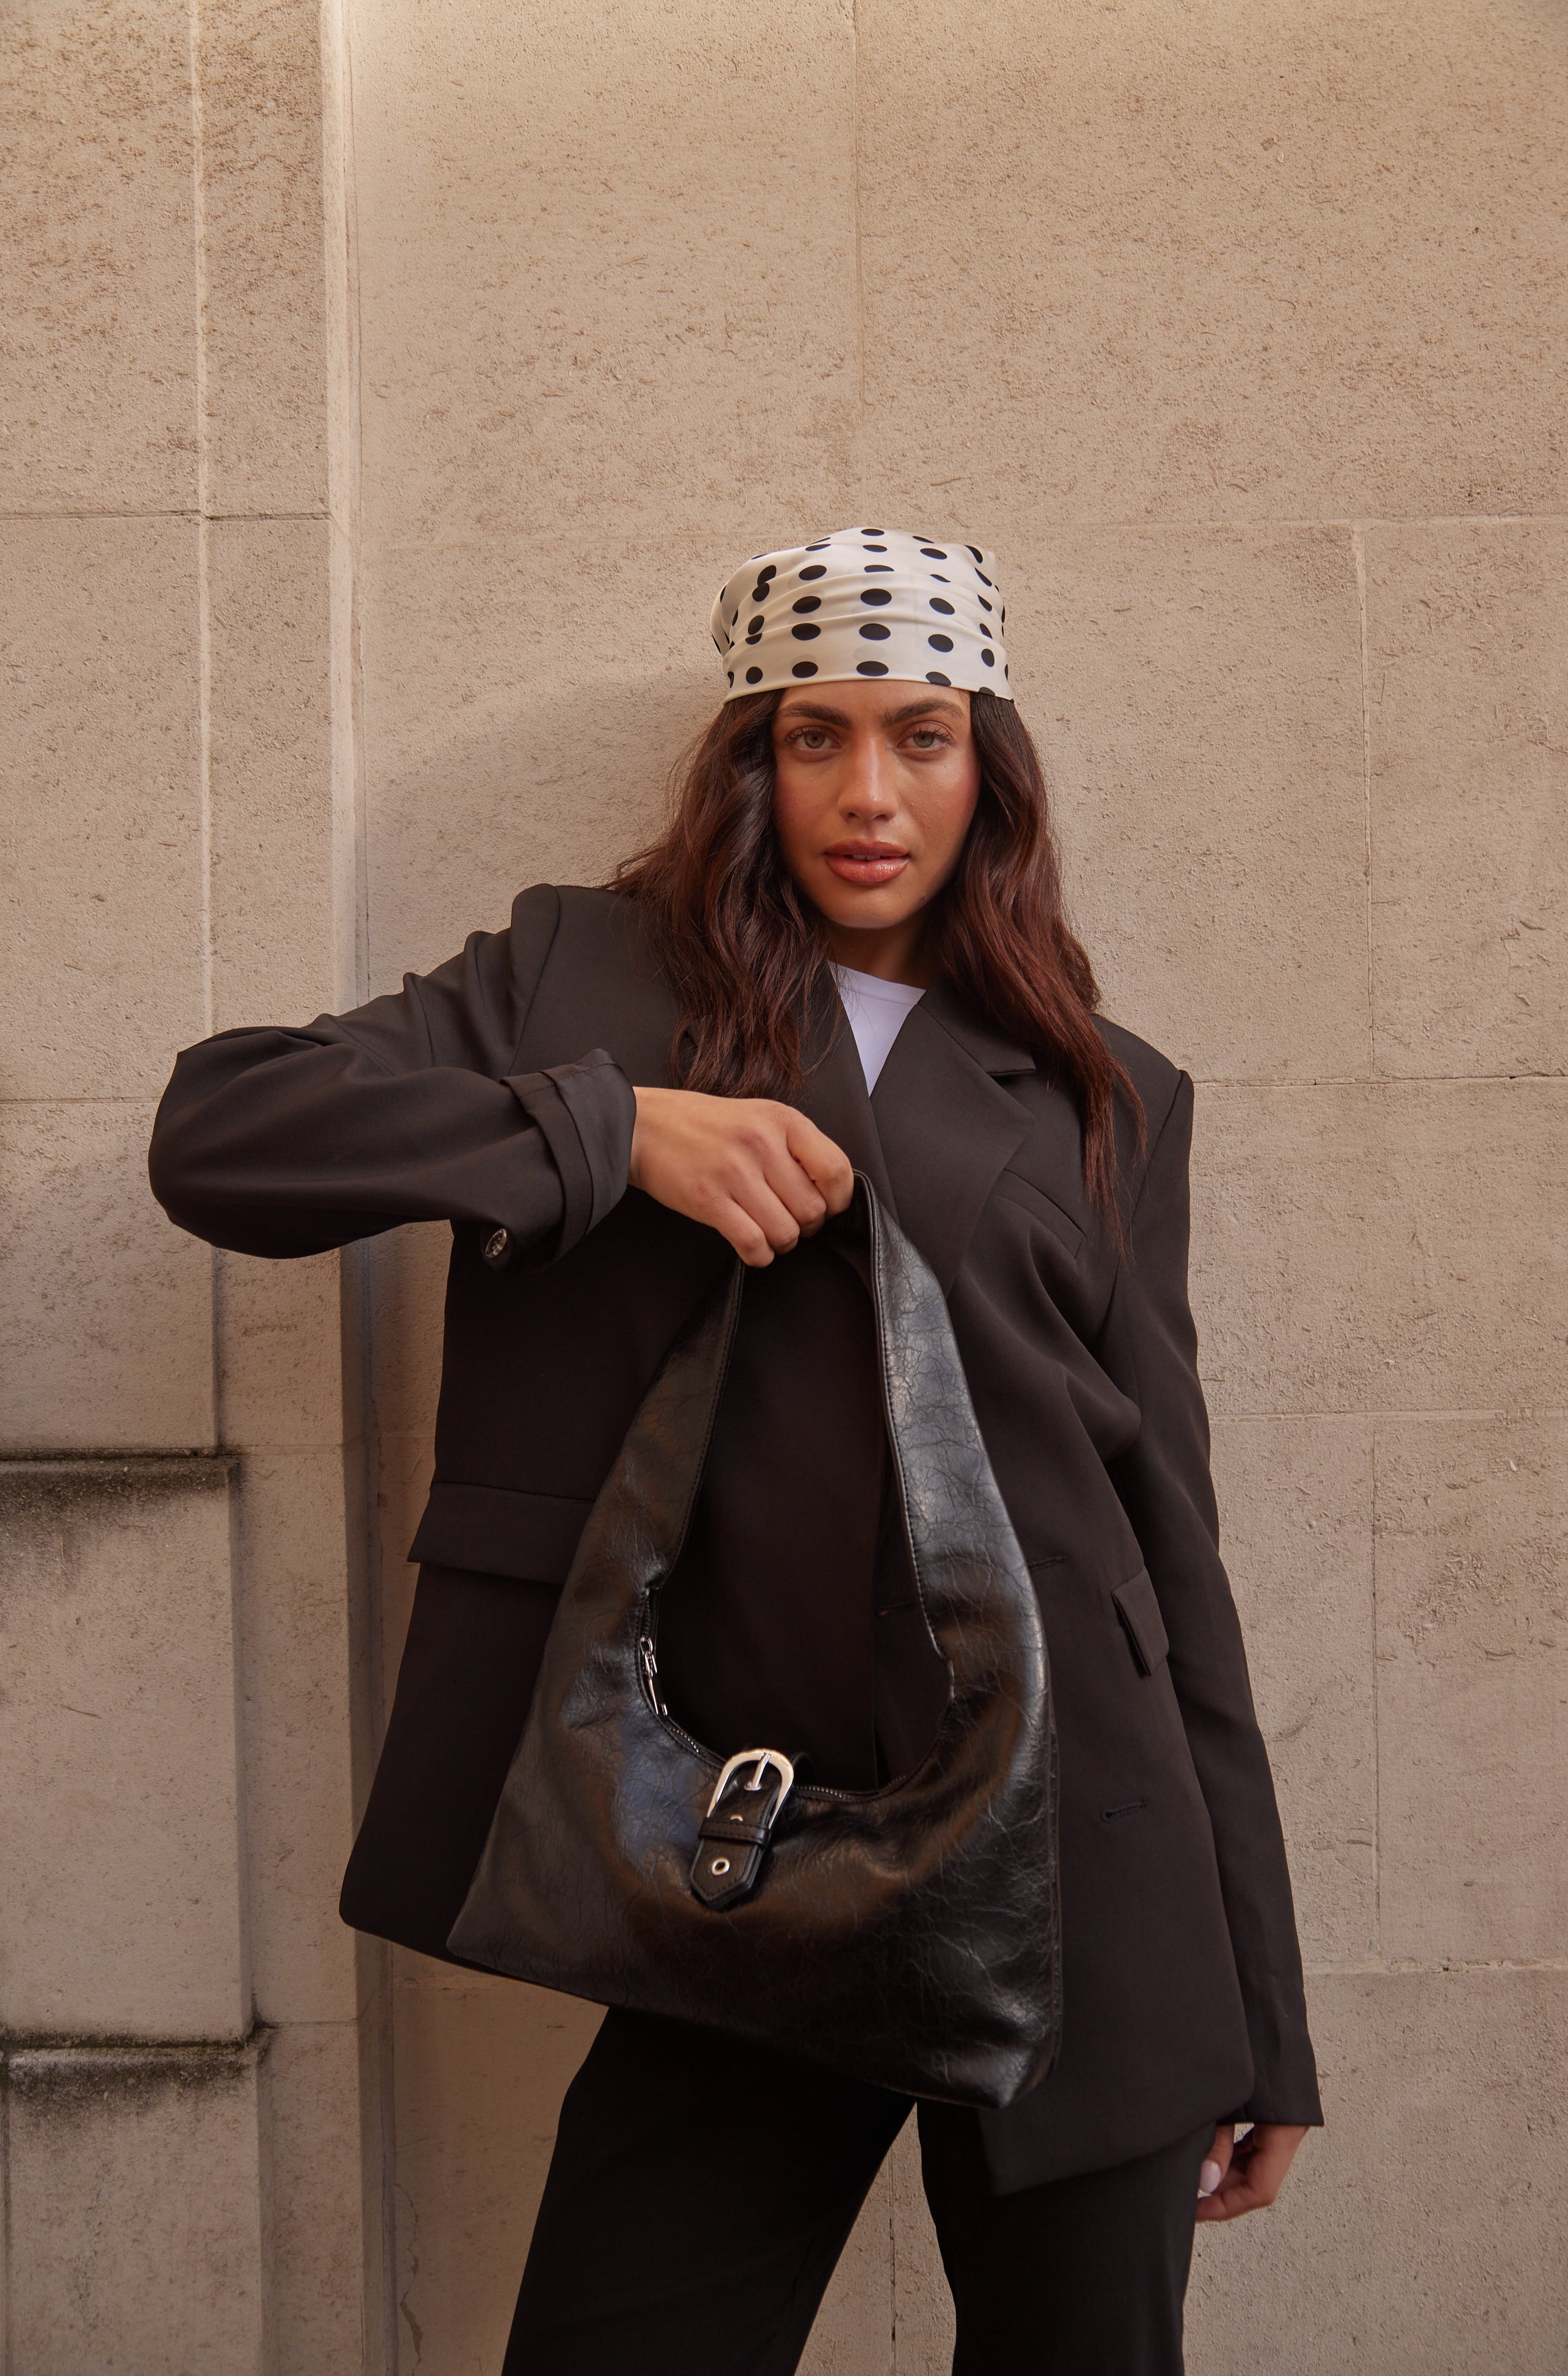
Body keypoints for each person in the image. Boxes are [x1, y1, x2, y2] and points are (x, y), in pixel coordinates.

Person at [149, 526, 1321, 2375]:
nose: (869, 793)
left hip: (1094, 1880)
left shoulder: (1109, 1088)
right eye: (815, 735)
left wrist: (1264, 2006)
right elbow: (225, 1133)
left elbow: (1169, 1547)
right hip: (745, 1857)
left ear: (987, 766)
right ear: (749, 760)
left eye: (922, 735)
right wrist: (612, 1134)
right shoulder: (580, 972)